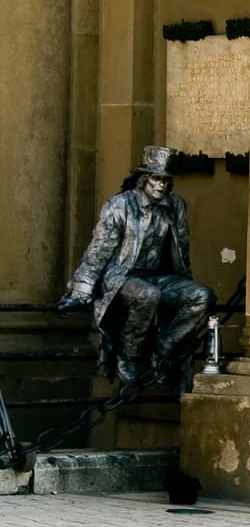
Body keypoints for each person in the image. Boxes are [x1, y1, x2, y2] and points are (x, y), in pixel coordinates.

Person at [57, 145, 216, 391]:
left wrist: (185, 283)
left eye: (165, 180)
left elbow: (181, 254)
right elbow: (99, 251)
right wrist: (81, 290)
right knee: (147, 295)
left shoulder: (176, 207)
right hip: (121, 276)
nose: (161, 185)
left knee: (201, 296)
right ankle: (129, 355)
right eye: (156, 179)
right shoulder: (120, 205)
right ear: (143, 179)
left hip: (159, 276)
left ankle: (162, 349)